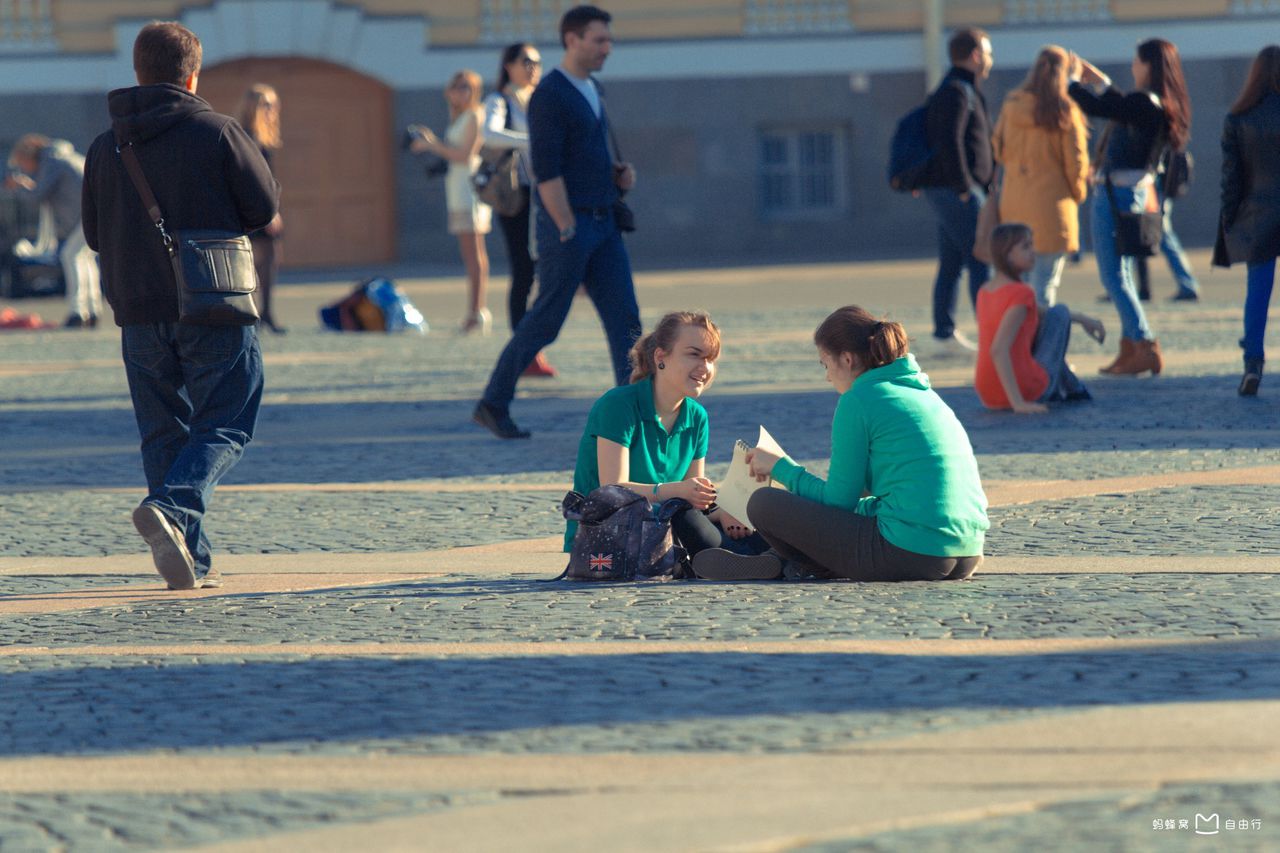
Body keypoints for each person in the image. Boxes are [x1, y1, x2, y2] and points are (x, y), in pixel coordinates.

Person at [81, 21, 278, 590]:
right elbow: (262, 208)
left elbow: (94, 233)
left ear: (138, 73)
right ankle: (172, 505)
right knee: (228, 420)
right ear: (192, 75)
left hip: (137, 310)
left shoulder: (105, 144)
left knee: (163, 431)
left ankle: (190, 558)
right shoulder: (218, 132)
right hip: (212, 300)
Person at [691, 306, 989, 582]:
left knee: (763, 504)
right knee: (838, 510)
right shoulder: (922, 394)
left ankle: (794, 563)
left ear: (846, 359)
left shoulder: (859, 399)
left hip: (911, 552)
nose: (827, 376)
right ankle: (785, 561)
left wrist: (781, 468)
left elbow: (838, 502)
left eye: (825, 364)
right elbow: (870, 496)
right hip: (967, 552)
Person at [473, 4, 641, 439]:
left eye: (608, 39)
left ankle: (634, 418)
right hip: (569, 225)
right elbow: (545, 169)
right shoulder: (550, 93)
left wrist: (618, 175)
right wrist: (565, 223)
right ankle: (493, 403)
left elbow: (584, 153)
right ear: (572, 40)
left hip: (604, 222)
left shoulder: (593, 87)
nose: (607, 47)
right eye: (598, 39)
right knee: (546, 318)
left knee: (626, 321)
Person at [566, 311, 765, 560]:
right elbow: (612, 490)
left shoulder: (696, 416)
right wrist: (677, 490)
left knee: (759, 519)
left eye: (711, 359)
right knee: (687, 520)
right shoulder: (618, 405)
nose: (705, 368)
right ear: (661, 356)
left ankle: (758, 557)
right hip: (611, 533)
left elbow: (694, 497)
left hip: (666, 526)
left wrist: (724, 513)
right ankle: (744, 560)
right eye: (694, 354)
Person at [1069, 39, 1190, 376]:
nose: (1133, 66)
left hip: (1115, 195)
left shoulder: (1146, 102)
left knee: (1113, 276)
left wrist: (1069, 82)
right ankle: (1130, 348)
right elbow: (1121, 106)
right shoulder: (1156, 102)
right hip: (1127, 193)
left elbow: (1105, 109)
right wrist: (1100, 82)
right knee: (1119, 275)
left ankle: (1144, 342)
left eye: (1136, 61)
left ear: (1147, 64)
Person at [992, 45, 1089, 308]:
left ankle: (1016, 345)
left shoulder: (1012, 105)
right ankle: (1042, 347)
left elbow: (998, 150)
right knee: (1044, 286)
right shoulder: (1065, 110)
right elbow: (1076, 163)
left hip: (1014, 207)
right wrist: (1078, 194)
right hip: (1052, 210)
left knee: (1015, 288)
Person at [919, 27, 995, 357]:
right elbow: (950, 141)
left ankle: (943, 335)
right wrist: (965, 187)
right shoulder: (955, 90)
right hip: (957, 191)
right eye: (989, 52)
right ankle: (993, 336)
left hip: (954, 190)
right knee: (982, 258)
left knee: (952, 263)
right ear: (976, 55)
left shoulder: (960, 88)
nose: (991, 59)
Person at [975, 223, 1103, 414]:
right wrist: (1019, 404)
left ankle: (1075, 389)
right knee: (1059, 312)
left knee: (1056, 314)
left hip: (987, 392)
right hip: (1023, 390)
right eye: (1025, 247)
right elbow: (998, 350)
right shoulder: (1021, 293)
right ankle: (1074, 389)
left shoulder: (985, 291)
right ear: (1007, 254)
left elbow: (1039, 312)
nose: (1033, 251)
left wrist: (1084, 319)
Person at [483, 42, 556, 377]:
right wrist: (529, 142)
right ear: (509, 65)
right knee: (523, 271)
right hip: (516, 197)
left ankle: (531, 347)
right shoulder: (499, 100)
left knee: (547, 270)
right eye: (526, 61)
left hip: (546, 192)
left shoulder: (541, 98)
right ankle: (523, 353)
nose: (533, 68)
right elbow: (490, 134)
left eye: (537, 62)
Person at [1213, 44, 1280, 396]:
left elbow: (1231, 178)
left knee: (1257, 292)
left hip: (1260, 214)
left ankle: (1252, 363)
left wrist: (1229, 218)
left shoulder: (1238, 118)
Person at [410, 69, 493, 334]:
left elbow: (465, 155)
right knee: (469, 252)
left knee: (474, 252)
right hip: (456, 188)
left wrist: (432, 144)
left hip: (470, 189)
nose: (462, 92)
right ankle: (476, 309)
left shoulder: (474, 115)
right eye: (458, 86)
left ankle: (477, 310)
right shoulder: (457, 116)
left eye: (467, 87)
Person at [5, 134, 101, 328]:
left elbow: (38, 195)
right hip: (95, 210)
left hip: (89, 213)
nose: (24, 168)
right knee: (83, 258)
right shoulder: (61, 157)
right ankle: (92, 309)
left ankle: (78, 312)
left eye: (22, 163)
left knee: (70, 255)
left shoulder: (53, 161)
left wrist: (20, 185)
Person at [237, 84, 286, 333]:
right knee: (252, 263)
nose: (272, 110)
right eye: (267, 104)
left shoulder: (263, 138)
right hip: (255, 211)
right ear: (253, 106)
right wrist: (269, 213)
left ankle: (266, 312)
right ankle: (254, 315)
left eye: (273, 104)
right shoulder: (246, 137)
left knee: (270, 260)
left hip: (265, 208)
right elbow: (251, 179)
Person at [1133, 147, 1200, 303]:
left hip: (1155, 185)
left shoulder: (1162, 127)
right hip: (1157, 184)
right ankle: (1187, 284)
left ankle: (1188, 284)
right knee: (1160, 235)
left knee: (1164, 236)